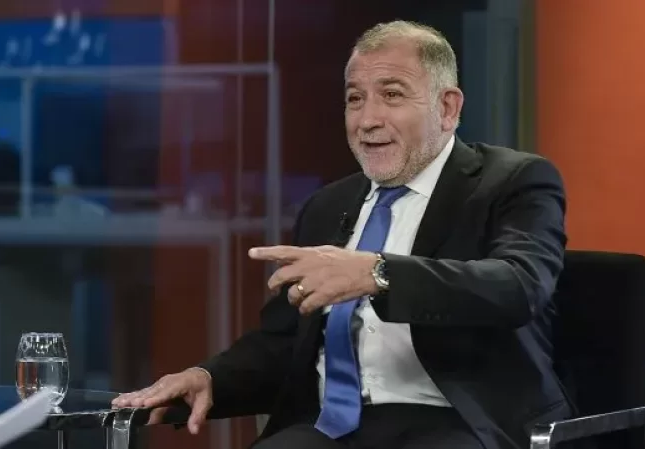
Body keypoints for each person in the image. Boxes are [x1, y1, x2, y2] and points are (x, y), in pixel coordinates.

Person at [113, 20, 572, 449]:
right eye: (355, 99)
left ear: (447, 107)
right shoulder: (327, 206)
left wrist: (378, 273)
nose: (367, 119)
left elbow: (518, 285)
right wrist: (210, 378)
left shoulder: (512, 182)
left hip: (459, 422)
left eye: (391, 95)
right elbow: (284, 343)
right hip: (330, 427)